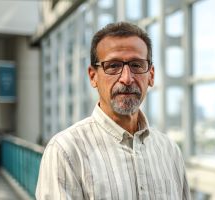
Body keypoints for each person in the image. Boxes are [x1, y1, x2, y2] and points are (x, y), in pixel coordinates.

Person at [36, 22, 190, 200]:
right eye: (113, 66)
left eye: (137, 65)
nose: (126, 78)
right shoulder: (67, 151)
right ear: (93, 77)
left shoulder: (169, 151)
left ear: (151, 76)